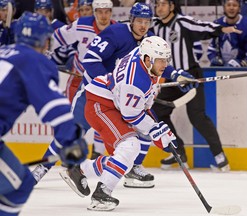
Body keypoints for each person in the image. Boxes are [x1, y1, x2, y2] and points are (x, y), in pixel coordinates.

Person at [81, 35, 195, 211]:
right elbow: (132, 116)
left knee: (125, 157)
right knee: (130, 145)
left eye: (166, 60)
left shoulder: (142, 54)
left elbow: (140, 108)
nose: (164, 65)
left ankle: (81, 169)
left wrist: (175, 73)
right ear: (148, 60)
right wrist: (156, 132)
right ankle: (101, 195)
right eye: (161, 61)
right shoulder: (134, 82)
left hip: (113, 102)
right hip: (101, 105)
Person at [59, 3, 158, 196]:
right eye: (139, 21)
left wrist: (178, 74)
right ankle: (47, 172)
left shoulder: (147, 40)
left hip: (118, 98)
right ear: (131, 20)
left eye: (147, 21)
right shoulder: (116, 33)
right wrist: (112, 85)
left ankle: (132, 167)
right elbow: (90, 60)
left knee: (145, 127)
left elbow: (155, 63)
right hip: (93, 93)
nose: (143, 25)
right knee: (71, 134)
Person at [0, 12, 88, 216]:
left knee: (20, 182)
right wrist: (71, 140)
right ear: (44, 39)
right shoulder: (34, 60)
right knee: (20, 185)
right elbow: (53, 106)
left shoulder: (4, 51)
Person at [31, 0, 116, 184]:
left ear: (111, 12)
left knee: (122, 136)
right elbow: (55, 38)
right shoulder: (82, 25)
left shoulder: (118, 32)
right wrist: (45, 53)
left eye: (107, 11)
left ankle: (121, 170)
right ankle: (42, 168)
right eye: (99, 11)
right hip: (87, 87)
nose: (103, 15)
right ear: (94, 12)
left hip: (112, 93)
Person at [151, 0, 242, 171]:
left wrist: (221, 29)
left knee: (197, 117)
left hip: (190, 77)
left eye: (163, 4)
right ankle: (179, 152)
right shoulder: (154, 25)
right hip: (171, 79)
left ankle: (220, 156)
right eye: (157, 5)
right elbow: (131, 26)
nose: (159, 8)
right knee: (157, 112)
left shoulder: (182, 22)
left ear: (172, 6)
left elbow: (203, 27)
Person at [208, 0, 247, 67]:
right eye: (228, 5)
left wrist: (242, 63)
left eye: (234, 5)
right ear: (224, 7)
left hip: (243, 72)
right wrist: (214, 59)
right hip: (220, 71)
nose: (231, 8)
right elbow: (211, 50)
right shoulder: (216, 24)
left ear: (239, 8)